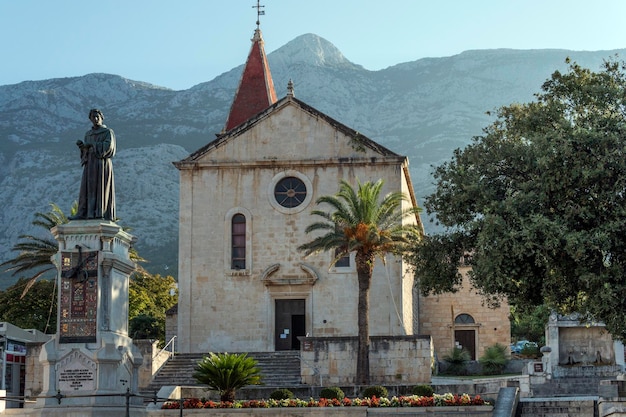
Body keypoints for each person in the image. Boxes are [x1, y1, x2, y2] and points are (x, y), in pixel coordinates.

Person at [72, 109, 116, 220]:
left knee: (100, 188)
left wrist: (91, 145)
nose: (95, 119)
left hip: (101, 163)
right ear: (90, 119)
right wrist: (83, 148)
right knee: (87, 188)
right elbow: (85, 151)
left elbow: (108, 147)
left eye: (97, 117)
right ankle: (84, 213)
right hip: (90, 164)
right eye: (93, 117)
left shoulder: (107, 132)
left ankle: (99, 213)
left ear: (101, 117)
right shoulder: (88, 134)